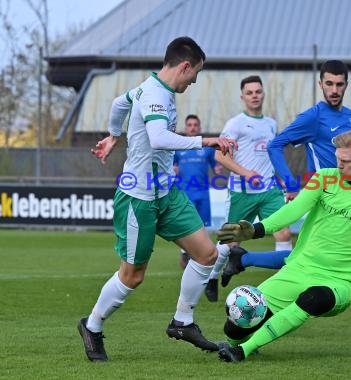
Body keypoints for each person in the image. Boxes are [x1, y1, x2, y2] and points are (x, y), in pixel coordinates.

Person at [221, 60, 351, 337]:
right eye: (328, 83)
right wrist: (290, 183)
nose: (334, 89)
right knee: (306, 259)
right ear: (320, 84)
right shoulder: (313, 117)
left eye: (339, 84)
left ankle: (243, 259)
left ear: (346, 84)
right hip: (324, 196)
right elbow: (276, 144)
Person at [77, 36, 236, 362]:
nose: (194, 81)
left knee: (206, 254)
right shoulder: (155, 95)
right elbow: (158, 138)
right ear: (184, 65)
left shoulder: (146, 89)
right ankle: (92, 325)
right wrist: (206, 141)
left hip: (166, 192)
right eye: (195, 74)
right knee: (132, 275)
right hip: (139, 199)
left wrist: (113, 135)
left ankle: (183, 321)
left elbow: (119, 104)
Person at [215, 130, 351, 362]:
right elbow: (292, 211)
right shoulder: (324, 178)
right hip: (297, 271)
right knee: (235, 327)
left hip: (337, 283)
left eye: (346, 161)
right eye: (337, 159)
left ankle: (244, 350)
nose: (339, 165)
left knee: (313, 298)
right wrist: (256, 229)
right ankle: (235, 343)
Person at [204, 75, 293, 302]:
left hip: (269, 191)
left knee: (283, 232)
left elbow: (270, 156)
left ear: (263, 94)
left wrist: (281, 178)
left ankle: (286, 284)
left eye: (258, 91)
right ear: (242, 97)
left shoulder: (271, 124)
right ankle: (213, 277)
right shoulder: (235, 124)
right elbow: (219, 156)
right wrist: (246, 173)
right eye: (250, 92)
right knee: (230, 242)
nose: (255, 95)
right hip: (242, 192)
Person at [173, 114, 222, 270]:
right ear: (186, 128)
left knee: (203, 226)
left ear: (199, 128)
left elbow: (216, 166)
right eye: (190, 125)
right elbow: (172, 167)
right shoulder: (178, 148)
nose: (193, 127)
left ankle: (200, 254)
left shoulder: (207, 149)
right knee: (188, 225)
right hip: (185, 193)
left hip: (203, 193)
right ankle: (185, 252)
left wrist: (219, 169)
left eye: (195, 125)